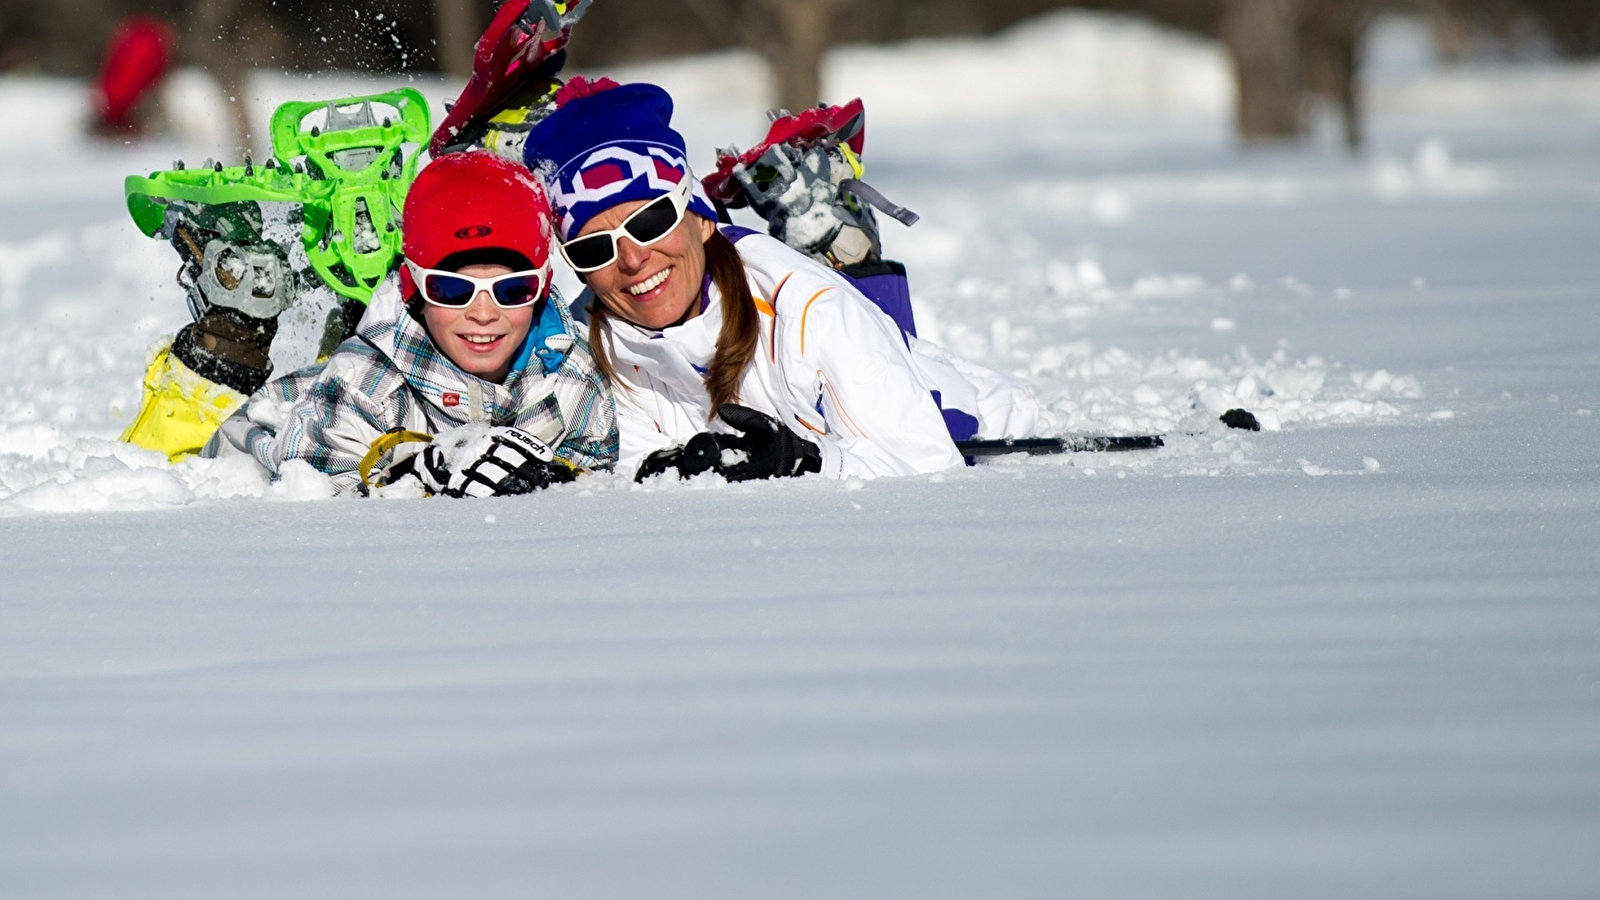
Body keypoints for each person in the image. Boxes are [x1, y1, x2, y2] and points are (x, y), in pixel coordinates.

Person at [522, 79, 1037, 482]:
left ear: (702, 218)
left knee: (852, 328)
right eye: (594, 248)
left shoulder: (808, 307)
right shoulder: (597, 338)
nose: (633, 259)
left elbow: (927, 465)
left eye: (651, 221)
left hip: (950, 418)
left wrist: (804, 461)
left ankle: (837, 231)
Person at [211, 150, 617, 496]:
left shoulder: (573, 380)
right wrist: (413, 477)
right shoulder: (362, 387)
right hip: (264, 429)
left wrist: (556, 481)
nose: (483, 312)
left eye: (512, 290)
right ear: (415, 287)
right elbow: (316, 497)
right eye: (452, 290)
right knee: (218, 373)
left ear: (542, 288)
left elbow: (595, 486)